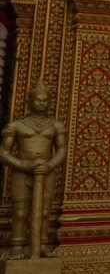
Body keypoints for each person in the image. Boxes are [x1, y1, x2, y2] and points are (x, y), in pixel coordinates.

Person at [0, 80, 67, 259]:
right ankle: (17, 247)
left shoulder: (55, 125)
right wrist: (23, 164)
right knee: (20, 211)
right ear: (29, 100)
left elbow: (61, 150)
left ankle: (42, 245)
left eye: (45, 100)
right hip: (22, 171)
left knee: (44, 211)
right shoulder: (16, 125)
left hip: (47, 171)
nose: (42, 103)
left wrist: (50, 164)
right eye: (38, 99)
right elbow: (3, 152)